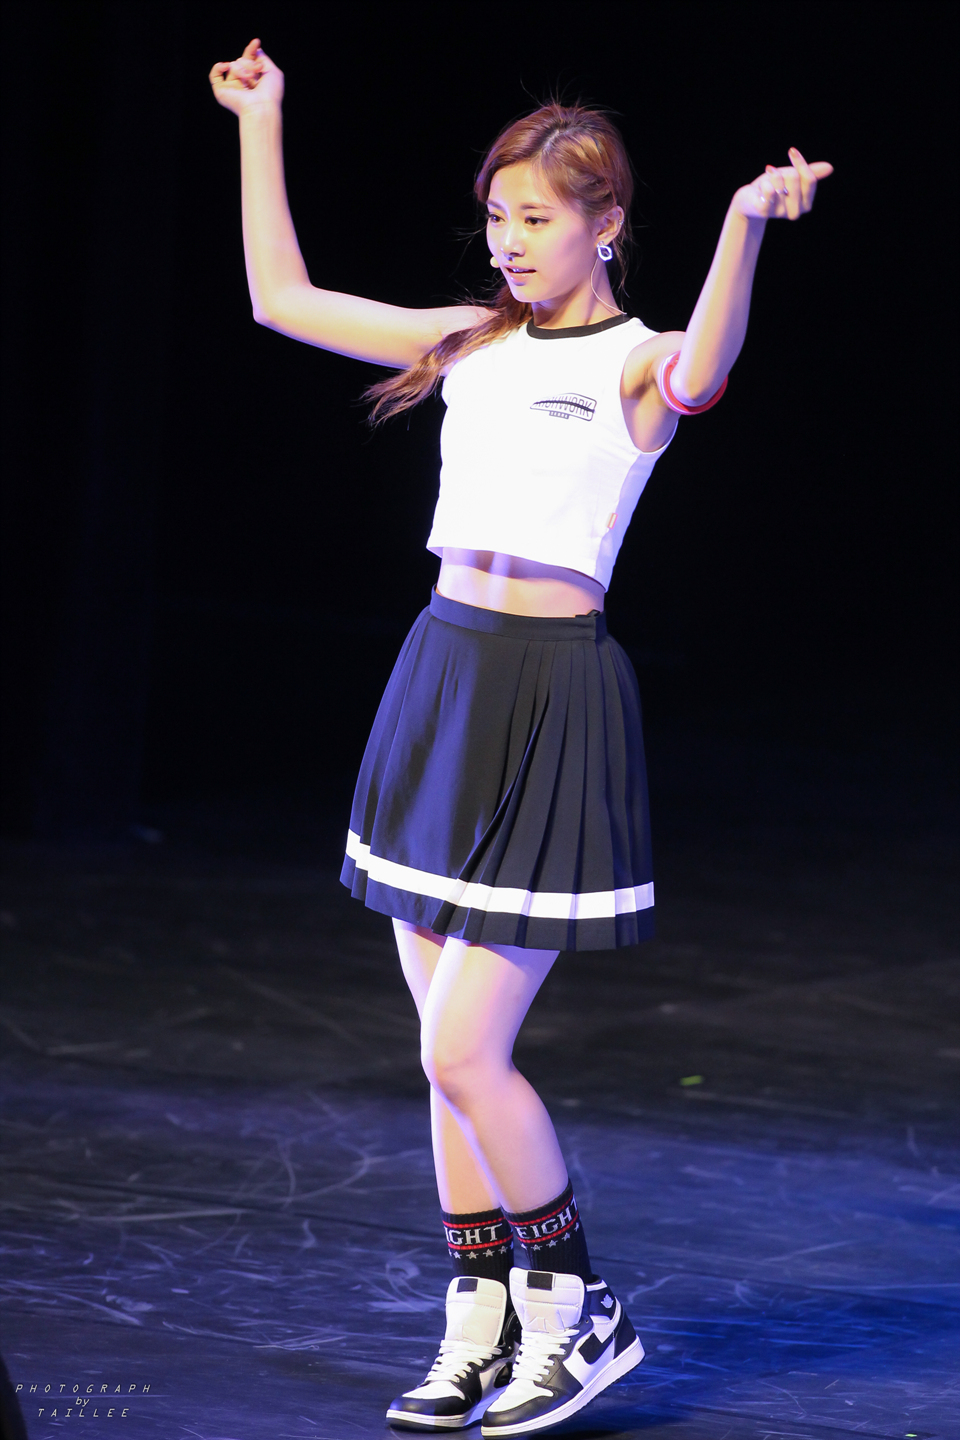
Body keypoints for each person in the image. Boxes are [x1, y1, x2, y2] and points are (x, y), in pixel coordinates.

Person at [210, 37, 832, 1436]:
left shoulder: (636, 362)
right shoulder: (473, 342)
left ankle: (578, 1309)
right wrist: (263, 119)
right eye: (496, 215)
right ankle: (481, 1320)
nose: (508, 241)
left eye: (536, 217)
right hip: (438, 679)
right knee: (442, 1053)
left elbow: (707, 370)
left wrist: (745, 222)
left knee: (463, 1053)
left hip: (550, 699)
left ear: (606, 223)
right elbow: (279, 299)